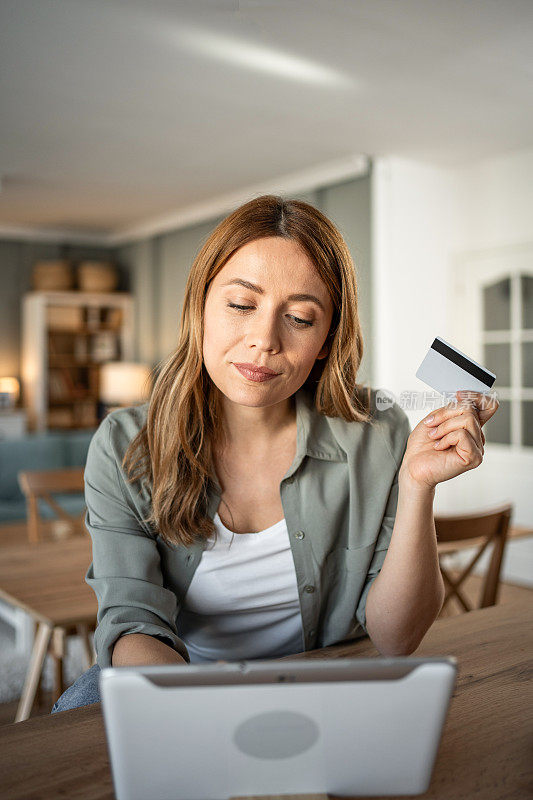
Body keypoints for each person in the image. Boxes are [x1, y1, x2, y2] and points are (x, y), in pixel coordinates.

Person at [52, 194, 498, 713]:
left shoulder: (378, 430)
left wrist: (418, 486)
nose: (264, 340)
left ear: (328, 339)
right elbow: (131, 625)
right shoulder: (125, 446)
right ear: (200, 307)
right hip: (183, 683)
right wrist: (210, 717)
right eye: (241, 305)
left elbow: (398, 639)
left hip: (325, 678)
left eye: (301, 319)